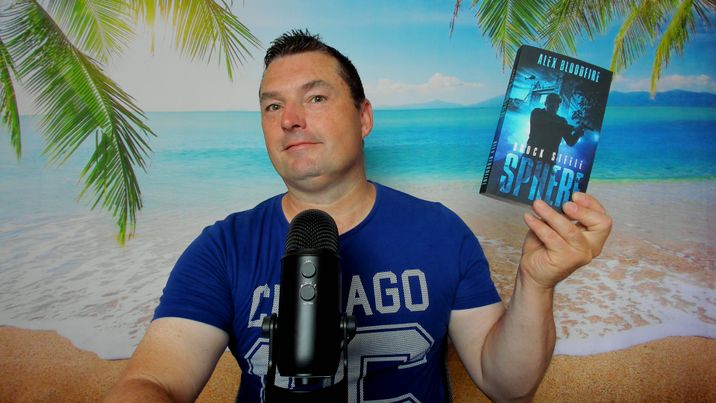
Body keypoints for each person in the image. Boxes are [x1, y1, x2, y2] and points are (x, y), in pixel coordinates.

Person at [105, 30, 612, 402]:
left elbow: (507, 385)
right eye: (272, 106)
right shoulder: (223, 247)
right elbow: (154, 379)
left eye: (315, 98)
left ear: (364, 117)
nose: (290, 119)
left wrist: (535, 283)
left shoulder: (441, 232)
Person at [526, 93, 585, 163]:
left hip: (547, 159)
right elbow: (551, 124)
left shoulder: (562, 121)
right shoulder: (537, 113)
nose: (555, 108)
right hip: (531, 156)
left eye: (557, 106)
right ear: (546, 103)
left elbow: (570, 142)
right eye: (552, 105)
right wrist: (574, 128)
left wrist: (578, 133)